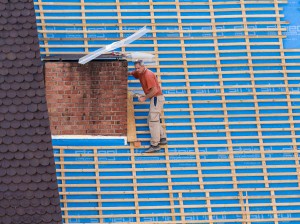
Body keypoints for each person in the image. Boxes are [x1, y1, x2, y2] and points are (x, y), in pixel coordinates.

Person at [128, 60, 167, 153]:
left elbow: (154, 90)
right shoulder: (139, 72)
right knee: (153, 119)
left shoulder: (148, 75)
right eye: (136, 68)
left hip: (156, 98)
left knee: (153, 121)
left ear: (143, 66)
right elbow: (133, 73)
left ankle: (155, 145)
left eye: (138, 68)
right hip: (155, 99)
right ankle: (162, 138)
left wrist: (144, 98)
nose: (137, 70)